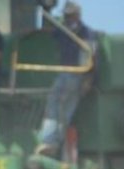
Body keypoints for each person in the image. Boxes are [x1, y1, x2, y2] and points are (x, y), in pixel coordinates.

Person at [34, 1, 97, 157]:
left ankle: (49, 141)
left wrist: (88, 79)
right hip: (65, 73)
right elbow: (47, 31)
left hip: (76, 74)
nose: (68, 18)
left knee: (56, 108)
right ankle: (53, 143)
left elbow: (92, 57)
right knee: (60, 110)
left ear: (77, 15)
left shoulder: (86, 34)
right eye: (66, 15)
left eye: (70, 15)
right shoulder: (62, 31)